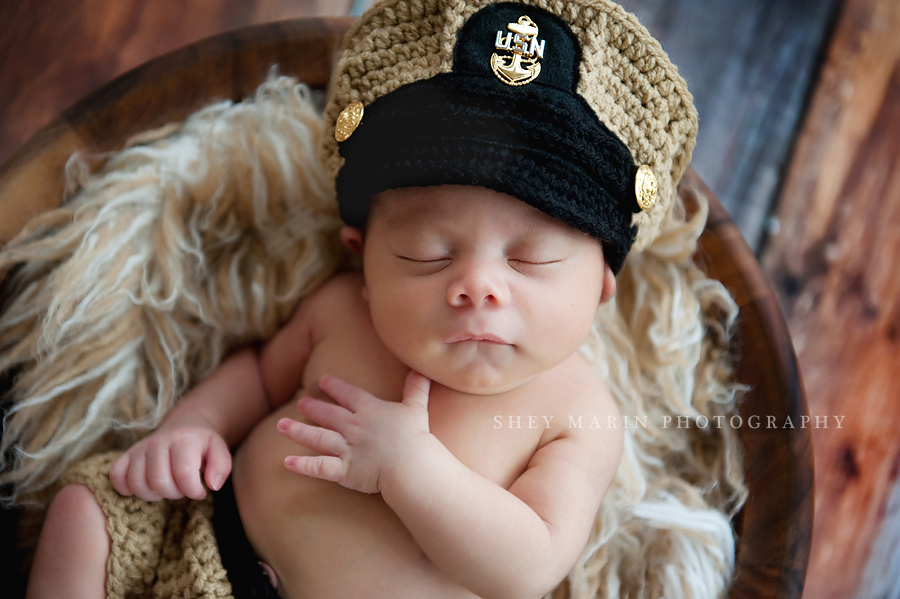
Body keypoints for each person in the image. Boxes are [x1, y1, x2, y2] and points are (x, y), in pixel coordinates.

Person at [25, 0, 701, 597]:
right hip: (207, 533)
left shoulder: (576, 412)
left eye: (530, 258)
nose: (478, 284)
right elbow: (261, 376)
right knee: (89, 507)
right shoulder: (346, 310)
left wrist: (412, 469)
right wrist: (193, 428)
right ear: (363, 258)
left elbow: (529, 565)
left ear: (602, 288)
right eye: (428, 254)